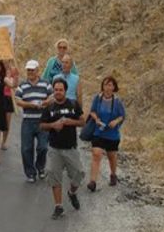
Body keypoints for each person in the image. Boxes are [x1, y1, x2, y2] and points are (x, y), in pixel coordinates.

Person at [40, 79, 85, 219]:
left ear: (65, 90)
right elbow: (41, 125)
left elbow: (83, 121)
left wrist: (71, 122)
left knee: (79, 173)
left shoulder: (73, 104)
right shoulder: (49, 107)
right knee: (54, 176)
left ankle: (72, 193)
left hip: (71, 148)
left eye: (60, 89)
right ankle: (58, 206)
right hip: (54, 149)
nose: (58, 92)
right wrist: (53, 125)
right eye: (56, 89)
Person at [15, 60, 53, 183]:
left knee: (43, 147)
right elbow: (17, 100)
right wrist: (30, 105)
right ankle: (30, 172)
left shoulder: (46, 84)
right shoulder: (22, 85)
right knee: (26, 148)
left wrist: (44, 103)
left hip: (43, 120)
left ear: (38, 71)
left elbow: (52, 97)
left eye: (32, 70)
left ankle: (40, 167)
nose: (30, 72)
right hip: (28, 120)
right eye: (28, 70)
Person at [87, 76, 126, 191]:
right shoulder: (97, 98)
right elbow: (92, 111)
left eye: (110, 85)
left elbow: (122, 116)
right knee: (96, 154)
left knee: (111, 156)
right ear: (102, 86)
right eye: (105, 85)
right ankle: (93, 181)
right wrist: (96, 119)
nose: (107, 87)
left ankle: (113, 174)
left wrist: (116, 121)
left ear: (114, 87)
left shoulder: (118, 101)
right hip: (99, 132)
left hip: (112, 134)